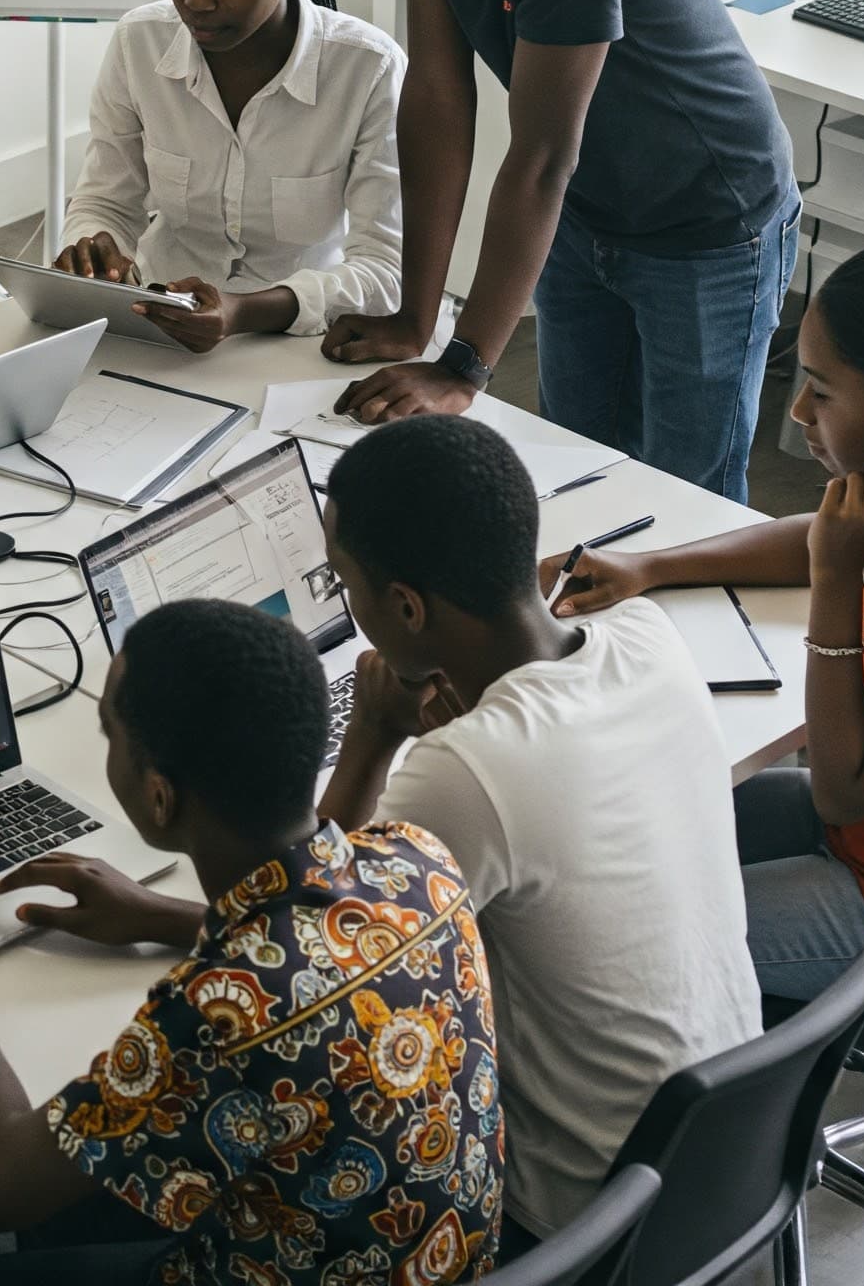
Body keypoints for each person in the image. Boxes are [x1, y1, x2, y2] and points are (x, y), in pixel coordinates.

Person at [0, 597, 503, 1283]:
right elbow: (320, 958)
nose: (106, 748)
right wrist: (160, 916)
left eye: (111, 735)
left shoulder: (215, 1016)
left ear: (160, 797)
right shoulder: (418, 860)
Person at [323, 0, 798, 502]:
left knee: (690, 501)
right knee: (576, 470)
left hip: (707, 224)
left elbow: (541, 155)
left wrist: (465, 367)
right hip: (585, 214)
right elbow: (439, 98)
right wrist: (416, 317)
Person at [547, 237, 864, 1020]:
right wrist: (652, 567)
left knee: (597, 939)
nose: (799, 412)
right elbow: (826, 528)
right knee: (605, 831)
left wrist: (841, 577)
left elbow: (844, 791)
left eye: (820, 390)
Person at [315, 415, 759, 1249]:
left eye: (346, 583)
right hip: (733, 1144)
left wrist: (373, 736)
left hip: (581, 1216)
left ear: (406, 608)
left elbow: (302, 940)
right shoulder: (647, 638)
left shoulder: (466, 770)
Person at [53, 0, 404, 352]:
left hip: (306, 333)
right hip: (158, 322)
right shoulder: (139, 43)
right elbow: (105, 199)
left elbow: (385, 271)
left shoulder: (368, 70)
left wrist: (244, 311)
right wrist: (92, 243)